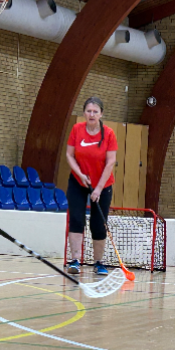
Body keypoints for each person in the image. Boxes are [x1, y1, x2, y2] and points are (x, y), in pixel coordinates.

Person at [65, 96, 118, 276]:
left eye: (95, 111)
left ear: (101, 114)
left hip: (102, 184)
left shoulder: (109, 134)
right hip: (78, 182)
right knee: (77, 220)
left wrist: (98, 189)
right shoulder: (77, 129)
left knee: (98, 224)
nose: (92, 114)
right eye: (89, 111)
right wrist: (80, 174)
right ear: (84, 113)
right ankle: (75, 261)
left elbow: (110, 162)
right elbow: (69, 155)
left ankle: (98, 262)